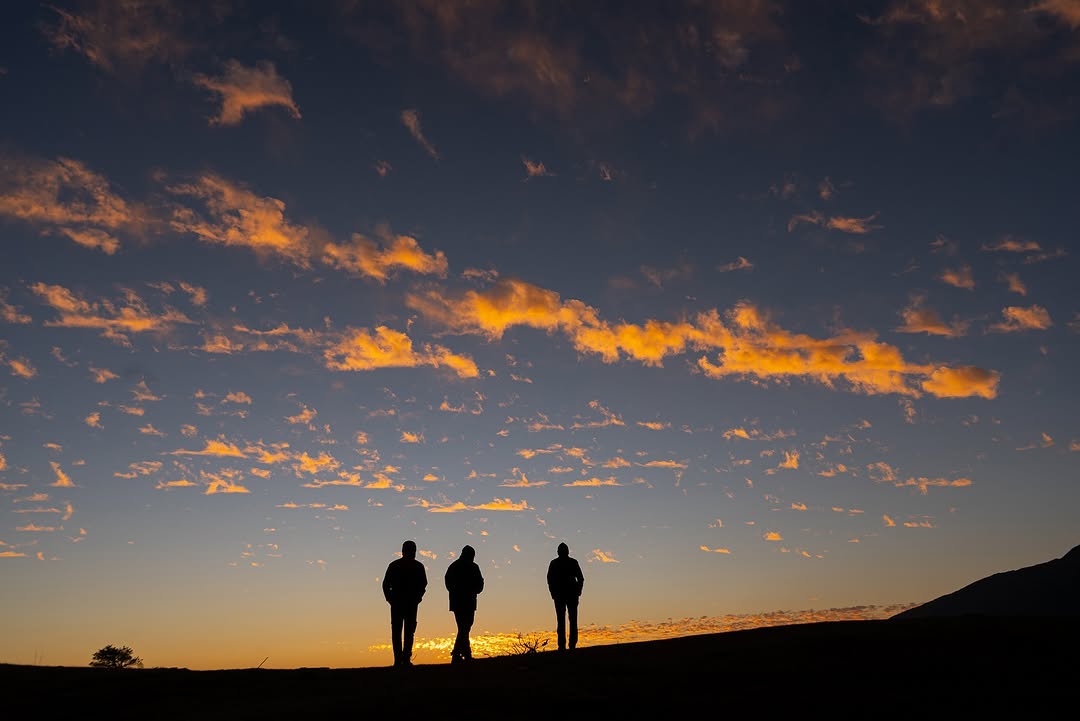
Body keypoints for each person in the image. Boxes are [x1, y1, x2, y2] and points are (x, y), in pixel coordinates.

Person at [382, 539, 427, 667]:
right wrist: (390, 599)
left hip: (408, 603)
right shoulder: (397, 566)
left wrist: (418, 597)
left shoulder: (417, 566)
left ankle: (404, 659)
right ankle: (399, 660)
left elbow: (423, 584)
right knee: (400, 631)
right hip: (399, 603)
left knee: (406, 631)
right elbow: (386, 584)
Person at [443, 544, 485, 664]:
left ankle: (465, 654)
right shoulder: (465, 566)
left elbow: (479, 583)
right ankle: (457, 653)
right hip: (463, 602)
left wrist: (475, 590)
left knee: (464, 627)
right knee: (464, 627)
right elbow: (449, 582)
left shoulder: (456, 566)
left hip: (463, 602)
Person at [546, 542, 584, 651]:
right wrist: (553, 593)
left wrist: (578, 591)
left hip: (569, 595)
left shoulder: (572, 562)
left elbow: (580, 578)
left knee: (570, 620)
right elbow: (549, 580)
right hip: (560, 595)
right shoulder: (554, 563)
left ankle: (570, 645)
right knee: (563, 620)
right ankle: (563, 645)